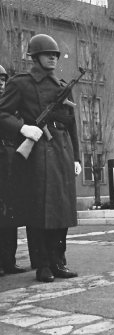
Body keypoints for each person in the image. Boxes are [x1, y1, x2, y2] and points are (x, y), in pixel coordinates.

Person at [0, 34, 80, 282]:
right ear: (34, 56)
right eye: (48, 54)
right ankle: (42, 264)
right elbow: (2, 113)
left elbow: (72, 125)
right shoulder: (20, 83)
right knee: (39, 209)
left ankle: (58, 260)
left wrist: (76, 157)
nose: (53, 58)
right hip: (36, 152)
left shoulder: (62, 86)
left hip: (62, 151)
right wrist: (23, 128)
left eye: (55, 55)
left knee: (61, 210)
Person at [0, 65, 28, 277]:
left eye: (3, 80)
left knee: (10, 214)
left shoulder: (11, 108)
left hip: (9, 161)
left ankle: (8, 261)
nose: (1, 84)